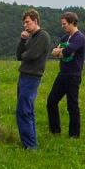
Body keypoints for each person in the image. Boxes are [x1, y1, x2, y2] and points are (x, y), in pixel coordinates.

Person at [47, 12, 85, 138]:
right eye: (62, 24)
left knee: (72, 105)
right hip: (62, 74)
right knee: (51, 101)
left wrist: (61, 52)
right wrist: (60, 52)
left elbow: (67, 51)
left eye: (64, 24)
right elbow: (53, 52)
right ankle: (55, 130)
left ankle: (74, 134)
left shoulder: (79, 38)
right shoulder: (65, 38)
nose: (62, 26)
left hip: (73, 75)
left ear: (72, 23)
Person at [15, 9, 50, 150]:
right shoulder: (30, 37)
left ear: (35, 21)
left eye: (28, 22)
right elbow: (19, 55)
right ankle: (29, 142)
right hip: (24, 75)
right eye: (24, 23)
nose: (25, 25)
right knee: (25, 109)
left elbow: (32, 55)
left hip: (32, 76)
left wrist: (25, 54)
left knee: (24, 110)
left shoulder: (43, 36)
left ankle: (30, 146)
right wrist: (23, 40)